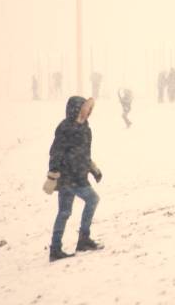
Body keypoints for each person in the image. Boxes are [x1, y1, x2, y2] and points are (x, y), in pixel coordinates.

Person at [46, 96, 104, 262]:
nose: (88, 112)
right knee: (92, 200)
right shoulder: (65, 128)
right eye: (85, 109)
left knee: (64, 212)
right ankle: (82, 239)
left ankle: (56, 248)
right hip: (68, 176)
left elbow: (84, 154)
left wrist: (93, 169)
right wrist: (52, 175)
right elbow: (55, 152)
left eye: (89, 110)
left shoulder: (85, 128)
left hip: (79, 175)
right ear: (76, 110)